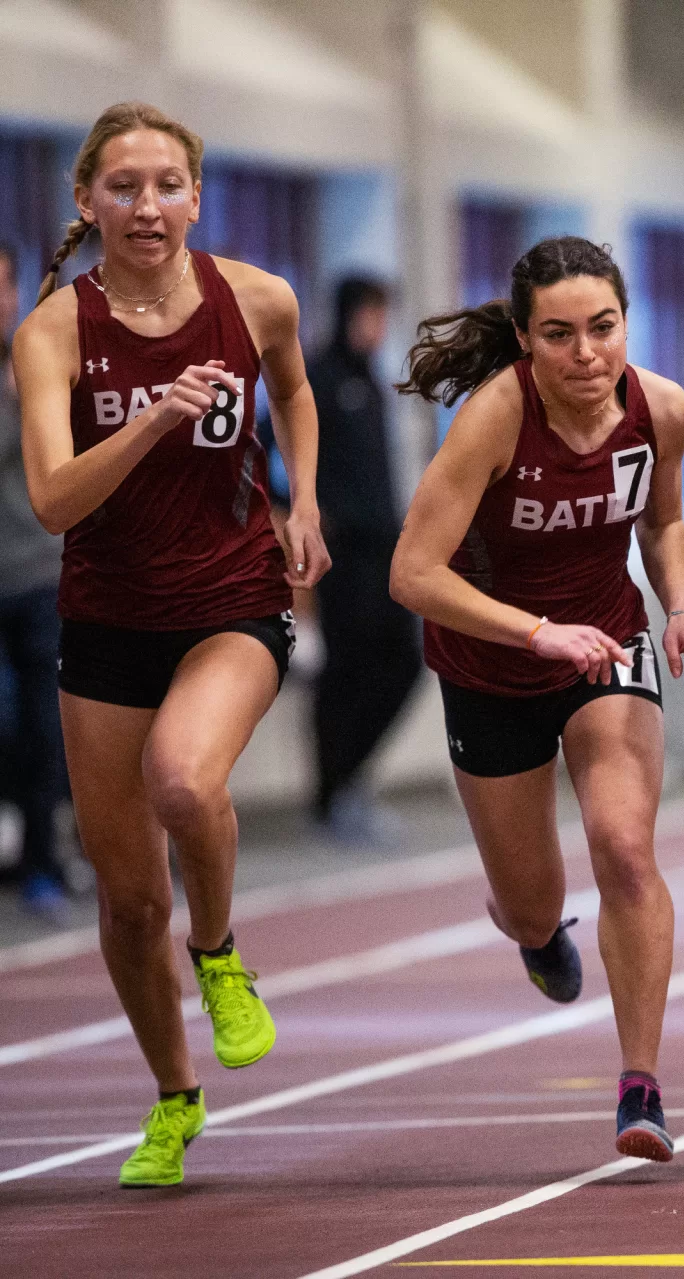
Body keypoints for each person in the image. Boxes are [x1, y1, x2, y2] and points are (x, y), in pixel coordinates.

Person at [11, 101, 331, 1186]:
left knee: (185, 783)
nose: (147, 208)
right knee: (127, 897)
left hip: (231, 600)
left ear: (198, 195)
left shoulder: (258, 299)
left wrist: (306, 502)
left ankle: (221, 951)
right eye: (123, 188)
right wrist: (149, 418)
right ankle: (173, 1096)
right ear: (85, 201)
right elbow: (54, 501)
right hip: (105, 619)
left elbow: (292, 392)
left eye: (167, 186)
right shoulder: (54, 329)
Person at [391, 236, 684, 1162]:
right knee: (532, 901)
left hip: (607, 642)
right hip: (491, 663)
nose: (586, 354)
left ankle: (640, 1085)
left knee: (623, 843)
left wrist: (678, 608)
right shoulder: (495, 419)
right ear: (526, 341)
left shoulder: (662, 409)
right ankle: (531, 929)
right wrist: (534, 631)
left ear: (626, 323)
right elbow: (411, 573)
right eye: (560, 335)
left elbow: (664, 516)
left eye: (603, 328)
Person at [308, 275, 421, 842]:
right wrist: (301, 508)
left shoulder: (373, 384)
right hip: (341, 555)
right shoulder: (317, 377)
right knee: (344, 671)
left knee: (405, 662)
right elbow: (265, 441)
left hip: (385, 551)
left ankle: (349, 777)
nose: (379, 328)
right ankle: (332, 796)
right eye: (372, 315)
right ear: (350, 313)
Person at [0, 241, 72, 920]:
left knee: (46, 729)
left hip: (37, 578)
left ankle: (46, 863)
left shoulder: (38, 360)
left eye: (3, 288)